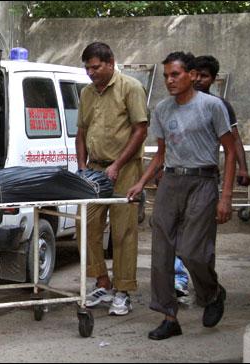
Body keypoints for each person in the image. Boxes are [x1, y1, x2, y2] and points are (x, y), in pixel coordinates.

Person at [127, 51, 236, 340]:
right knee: (161, 252)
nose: (169, 80)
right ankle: (169, 317)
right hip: (171, 181)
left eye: (175, 74)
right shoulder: (162, 109)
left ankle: (212, 293)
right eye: (165, 76)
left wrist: (225, 197)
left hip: (203, 181)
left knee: (191, 250)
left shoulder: (212, 106)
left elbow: (231, 150)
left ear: (190, 74)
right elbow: (161, 154)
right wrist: (141, 183)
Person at [76, 42, 148, 315]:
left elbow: (140, 130)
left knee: (123, 232)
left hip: (125, 169)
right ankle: (103, 283)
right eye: (87, 68)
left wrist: (118, 164)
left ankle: (123, 290)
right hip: (94, 170)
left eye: (95, 67)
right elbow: (81, 132)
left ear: (110, 63)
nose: (91, 73)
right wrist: (82, 168)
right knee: (88, 226)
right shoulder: (86, 93)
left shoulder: (130, 87)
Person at [173, 54, 250, 300]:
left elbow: (233, 140)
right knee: (177, 232)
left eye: (204, 76)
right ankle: (180, 279)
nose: (198, 80)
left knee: (202, 237)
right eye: (195, 74)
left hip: (205, 179)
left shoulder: (218, 106)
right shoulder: (177, 103)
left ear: (213, 79)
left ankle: (207, 286)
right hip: (177, 179)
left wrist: (242, 168)